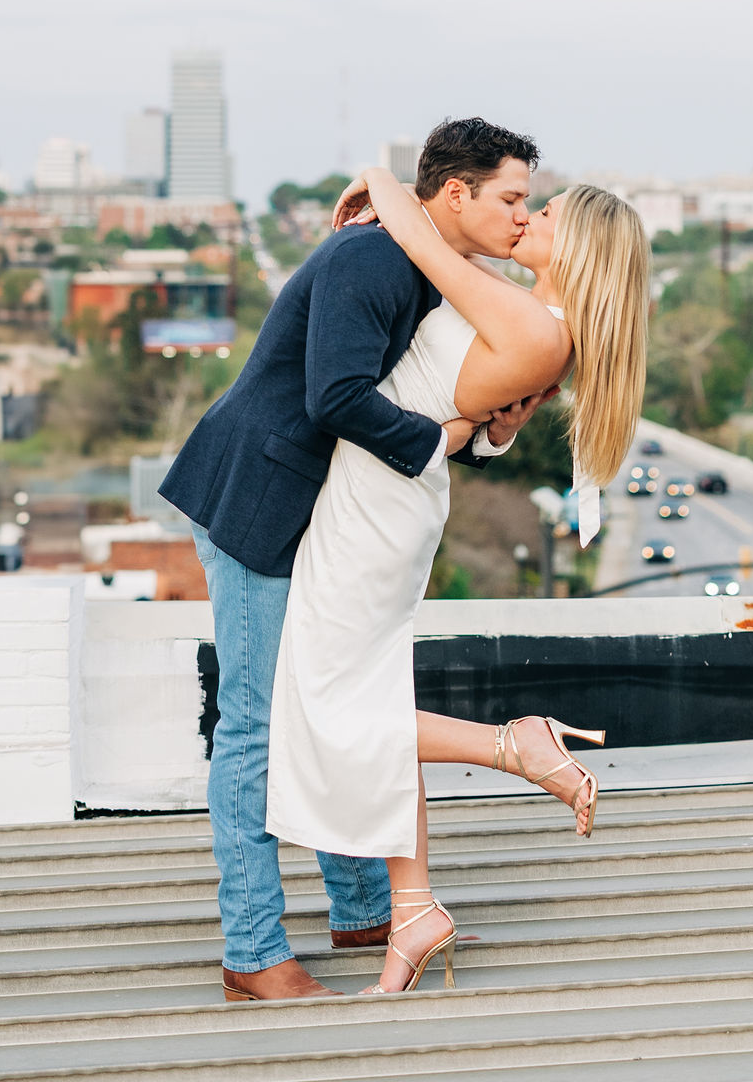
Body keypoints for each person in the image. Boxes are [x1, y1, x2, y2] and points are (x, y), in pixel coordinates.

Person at [158, 118, 549, 1002]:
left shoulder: (429, 271)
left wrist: (487, 429)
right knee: (256, 726)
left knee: (330, 696)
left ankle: (365, 907)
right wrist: (443, 438)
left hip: (314, 511)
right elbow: (334, 395)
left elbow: (438, 383)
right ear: (458, 194)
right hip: (256, 498)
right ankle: (252, 954)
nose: (523, 218)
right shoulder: (370, 262)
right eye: (513, 198)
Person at [266, 166, 649, 994]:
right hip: (388, 499)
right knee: (361, 695)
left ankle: (514, 746)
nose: (524, 220)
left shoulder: (532, 320)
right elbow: (467, 415)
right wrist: (482, 429)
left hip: (374, 505)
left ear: (574, 246)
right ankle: (413, 907)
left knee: (333, 708)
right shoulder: (541, 321)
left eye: (539, 212)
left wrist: (376, 176)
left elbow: (418, 236)